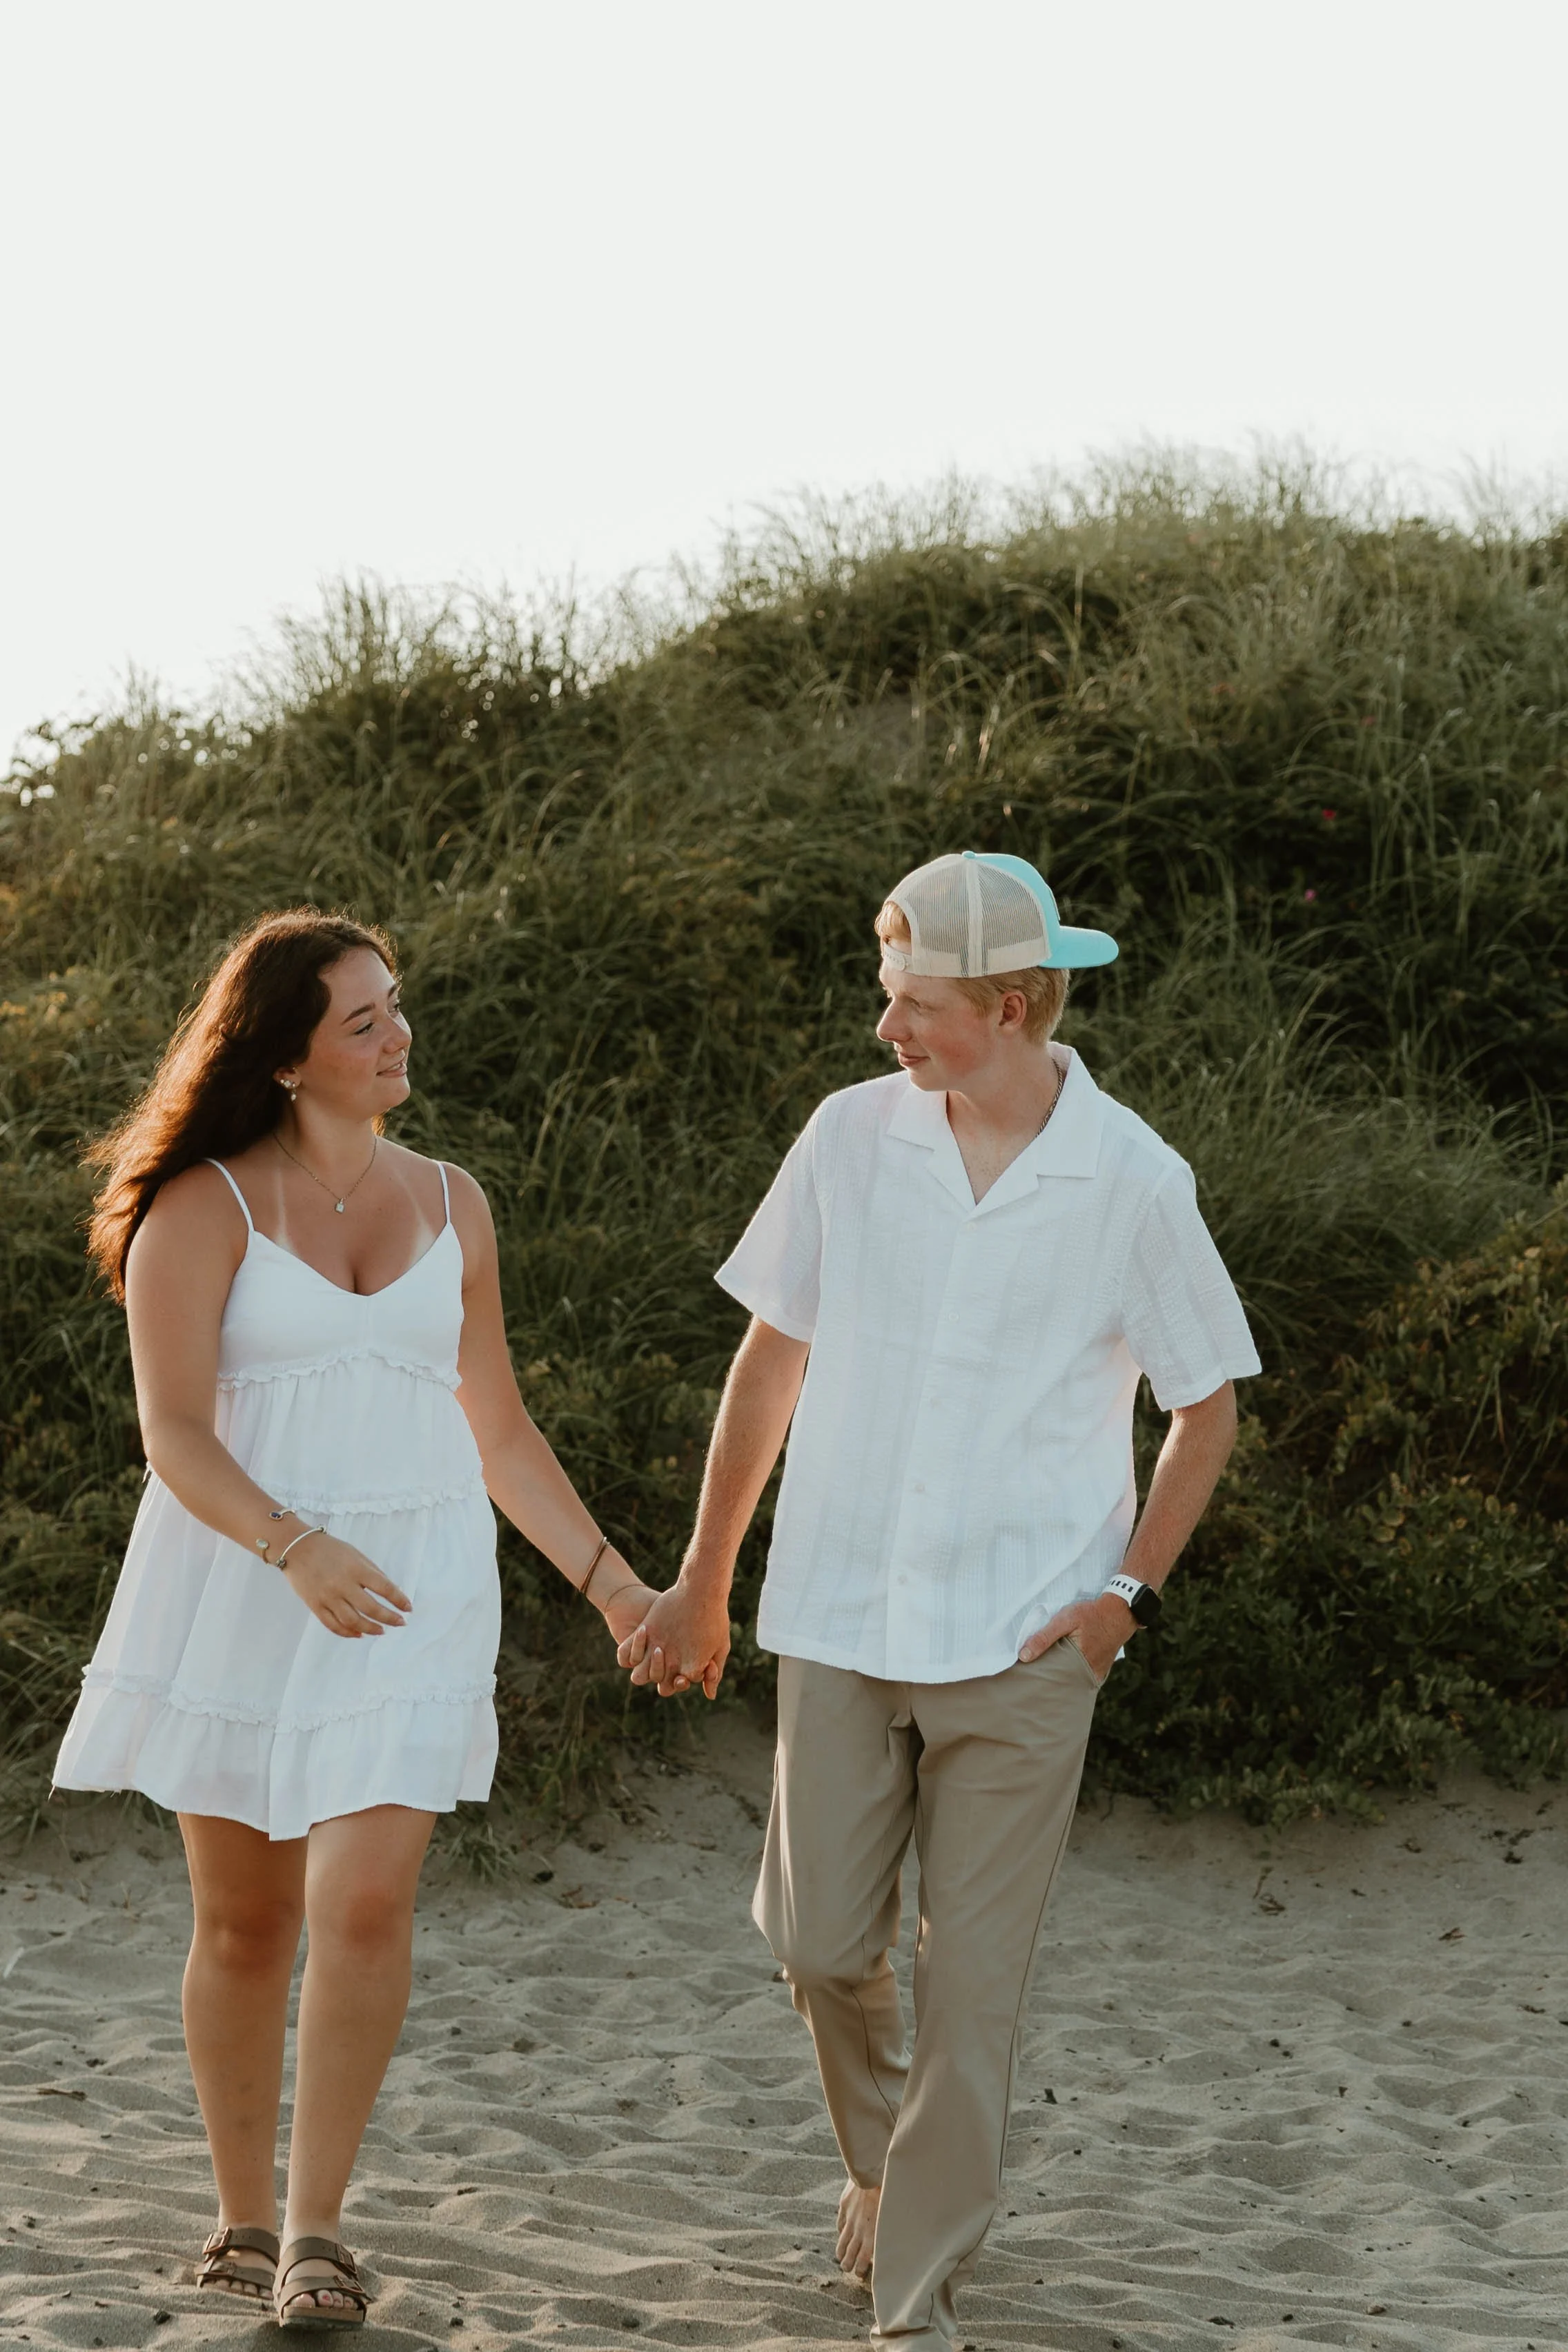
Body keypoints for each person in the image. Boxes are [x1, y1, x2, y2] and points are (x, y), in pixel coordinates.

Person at [618, 851, 1260, 2351]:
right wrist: (703, 1575)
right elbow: (769, 1359)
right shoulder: (850, 1137)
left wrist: (1121, 1594)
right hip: (838, 1612)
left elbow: (1207, 1404)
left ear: (1017, 1003)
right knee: (819, 1944)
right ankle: (879, 2174)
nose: (886, 1028)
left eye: (916, 1004)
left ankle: (913, 2303)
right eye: (884, 994)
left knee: (970, 1989)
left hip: (1029, 1638)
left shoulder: (1130, 1179)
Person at [54, 910, 654, 2331]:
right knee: (248, 1923)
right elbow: (176, 1436)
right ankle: (240, 2217)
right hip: (247, 1577)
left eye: (396, 1007)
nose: (398, 1037)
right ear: (283, 1058)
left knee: (367, 1897)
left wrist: (617, 1584)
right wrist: (294, 1545)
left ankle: (320, 2229)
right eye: (364, 1022)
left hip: (415, 1589)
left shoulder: (454, 1201)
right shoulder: (197, 1209)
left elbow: (497, 1430)